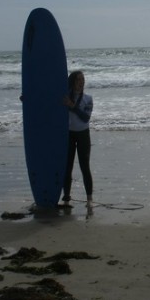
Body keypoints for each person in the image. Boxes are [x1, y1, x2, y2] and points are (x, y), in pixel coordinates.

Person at [62, 71, 94, 207]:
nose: (81, 82)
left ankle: (89, 199)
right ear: (72, 82)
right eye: (78, 80)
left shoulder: (88, 99)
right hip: (68, 135)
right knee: (67, 167)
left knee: (84, 167)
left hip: (83, 135)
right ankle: (66, 198)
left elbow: (85, 118)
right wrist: (27, 98)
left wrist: (72, 106)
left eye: (83, 80)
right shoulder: (64, 98)